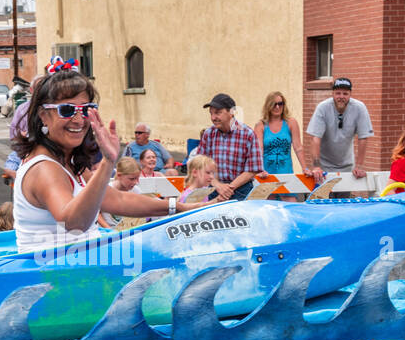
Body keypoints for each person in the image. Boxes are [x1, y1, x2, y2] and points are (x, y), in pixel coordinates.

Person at [13, 61, 205, 250]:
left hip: (79, 269)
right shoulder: (44, 169)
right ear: (43, 115)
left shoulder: (67, 161)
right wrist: (107, 162)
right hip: (60, 277)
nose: (79, 120)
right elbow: (74, 224)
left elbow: (117, 200)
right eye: (67, 110)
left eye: (85, 109)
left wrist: (180, 208)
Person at [191, 92, 261, 201]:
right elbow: (200, 165)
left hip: (241, 191)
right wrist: (218, 185)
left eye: (218, 113)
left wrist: (228, 188)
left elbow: (253, 169)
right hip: (213, 190)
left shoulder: (248, 134)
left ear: (231, 112)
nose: (213, 117)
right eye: (211, 113)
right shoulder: (208, 134)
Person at [304, 77, 375, 183]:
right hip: (324, 166)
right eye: (338, 93)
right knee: (322, 198)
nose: (341, 97)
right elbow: (315, 138)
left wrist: (359, 166)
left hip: (347, 166)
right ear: (332, 93)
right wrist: (316, 166)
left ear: (350, 94)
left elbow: (363, 138)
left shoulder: (359, 108)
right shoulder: (323, 108)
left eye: (345, 94)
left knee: (344, 198)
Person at [254, 91, 302, 178]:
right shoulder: (260, 125)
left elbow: (298, 147)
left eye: (280, 104)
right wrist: (260, 169)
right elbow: (259, 150)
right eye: (274, 104)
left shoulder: (291, 123)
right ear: (268, 106)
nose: (277, 107)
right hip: (266, 176)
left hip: (286, 175)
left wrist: (305, 168)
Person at [96, 157, 142, 229]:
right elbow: (97, 214)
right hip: (107, 231)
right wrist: (108, 229)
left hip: (128, 230)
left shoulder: (136, 191)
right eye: (132, 179)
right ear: (119, 175)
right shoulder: (106, 190)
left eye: (137, 178)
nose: (136, 182)